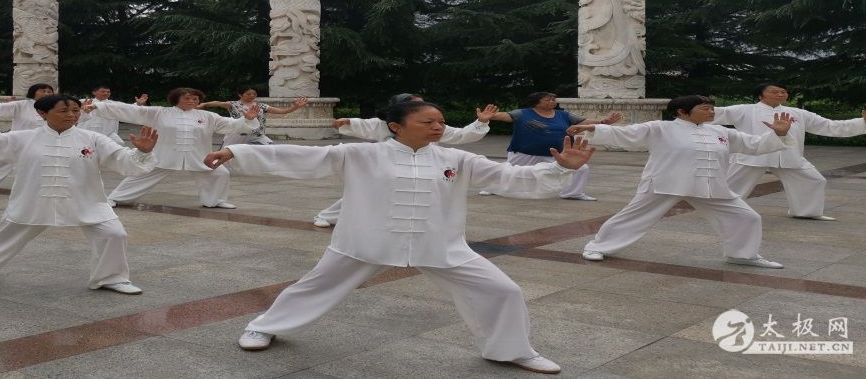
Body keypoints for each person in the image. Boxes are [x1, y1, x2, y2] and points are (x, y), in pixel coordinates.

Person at [206, 100, 590, 374]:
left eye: (441, 122)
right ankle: (264, 327)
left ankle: (511, 350)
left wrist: (561, 171)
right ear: (396, 126)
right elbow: (304, 157)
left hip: (439, 244)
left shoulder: (457, 159)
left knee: (503, 290)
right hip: (366, 241)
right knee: (316, 285)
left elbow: (511, 177)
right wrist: (238, 153)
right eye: (428, 121)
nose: (438, 127)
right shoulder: (363, 154)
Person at [0, 94, 159, 294]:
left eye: (75, 110)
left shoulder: (93, 138)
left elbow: (123, 160)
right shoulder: (22, 138)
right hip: (33, 199)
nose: (72, 115)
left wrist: (143, 152)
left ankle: (112, 278)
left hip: (86, 201)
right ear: (42, 113)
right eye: (64, 111)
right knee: (4, 237)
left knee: (114, 234)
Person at [573, 95, 794, 269]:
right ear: (682, 111)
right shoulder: (660, 128)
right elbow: (626, 134)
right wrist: (593, 128)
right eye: (705, 108)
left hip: (710, 184)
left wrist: (779, 134)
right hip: (665, 183)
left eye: (712, 108)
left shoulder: (721, 132)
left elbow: (754, 145)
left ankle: (742, 255)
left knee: (747, 216)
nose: (711, 112)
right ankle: (598, 247)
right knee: (634, 216)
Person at [312, 97, 500, 227]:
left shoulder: (435, 125)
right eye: (415, 105)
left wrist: (481, 122)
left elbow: (462, 135)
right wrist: (348, 122)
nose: (436, 125)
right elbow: (363, 125)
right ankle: (326, 215)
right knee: (368, 193)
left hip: (424, 165)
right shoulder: (383, 125)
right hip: (389, 166)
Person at [712, 82, 866, 221]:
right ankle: (721, 210)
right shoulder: (744, 110)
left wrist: (864, 121)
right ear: (760, 95)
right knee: (733, 185)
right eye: (774, 92)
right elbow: (712, 114)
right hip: (753, 155)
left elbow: (829, 126)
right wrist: (696, 109)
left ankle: (806, 212)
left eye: (783, 92)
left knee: (813, 180)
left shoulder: (798, 113)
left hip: (789, 155)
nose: (780, 94)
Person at [87, 87, 259, 209]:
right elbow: (130, 110)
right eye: (187, 98)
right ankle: (115, 198)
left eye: (195, 99)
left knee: (220, 173)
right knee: (140, 175)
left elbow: (231, 125)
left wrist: (248, 120)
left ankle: (215, 201)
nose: (192, 101)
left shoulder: (208, 116)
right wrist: (99, 106)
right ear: (176, 99)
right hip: (164, 154)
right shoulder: (160, 112)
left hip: (199, 156)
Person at [482, 92, 621, 201]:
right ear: (536, 102)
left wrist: (603, 122)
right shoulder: (523, 113)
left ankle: (572, 193)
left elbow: (584, 121)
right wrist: (490, 116)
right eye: (548, 99)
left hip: (556, 153)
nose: (552, 101)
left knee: (581, 168)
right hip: (525, 153)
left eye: (554, 99)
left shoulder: (564, 115)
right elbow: (504, 116)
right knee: (509, 171)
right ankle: (491, 188)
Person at [201, 88, 309, 148]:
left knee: (271, 149)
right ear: (240, 94)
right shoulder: (233, 104)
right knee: (225, 155)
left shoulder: (261, 106)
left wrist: (295, 107)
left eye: (254, 94)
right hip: (237, 135)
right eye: (248, 94)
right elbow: (217, 103)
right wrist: (203, 104)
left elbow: (282, 111)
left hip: (257, 135)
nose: (252, 95)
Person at [75, 85, 149, 144]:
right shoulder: (83, 102)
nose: (106, 93)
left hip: (108, 135)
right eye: (103, 91)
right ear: (94, 92)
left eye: (108, 92)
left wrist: (138, 104)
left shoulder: (113, 104)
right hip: (85, 135)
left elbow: (127, 109)